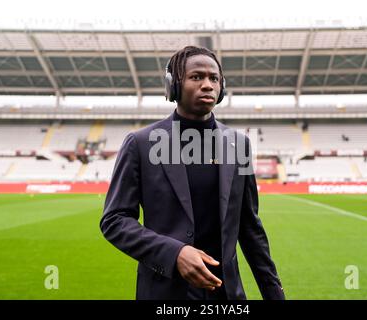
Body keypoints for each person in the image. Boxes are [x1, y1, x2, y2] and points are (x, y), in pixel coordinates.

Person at [100, 46, 285, 300]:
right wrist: (174, 253)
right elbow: (115, 220)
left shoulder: (239, 144)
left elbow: (250, 229)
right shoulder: (141, 143)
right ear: (173, 86)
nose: (207, 85)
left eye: (214, 78)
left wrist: (274, 293)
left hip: (227, 296)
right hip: (165, 295)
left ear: (222, 88)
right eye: (196, 77)